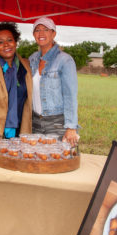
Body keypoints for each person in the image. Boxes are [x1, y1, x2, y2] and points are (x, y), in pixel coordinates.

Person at [29, 17, 80, 145]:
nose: (41, 33)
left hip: (56, 123)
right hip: (35, 122)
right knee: (36, 160)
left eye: (46, 29)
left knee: (55, 161)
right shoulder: (32, 60)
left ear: (53, 33)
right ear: (33, 34)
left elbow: (70, 95)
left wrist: (71, 127)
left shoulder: (65, 60)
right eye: (37, 30)